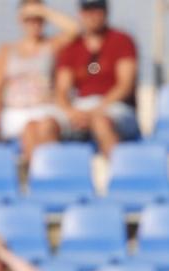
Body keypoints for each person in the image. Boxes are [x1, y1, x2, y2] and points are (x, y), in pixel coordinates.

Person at [0, 0, 79, 162]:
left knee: (34, 129)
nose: (34, 23)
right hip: (10, 110)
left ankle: (37, 177)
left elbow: (75, 29)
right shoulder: (7, 50)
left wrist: (42, 11)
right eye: (29, 19)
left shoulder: (51, 45)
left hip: (43, 108)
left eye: (38, 19)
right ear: (21, 20)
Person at [30, 0, 138, 157]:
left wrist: (97, 110)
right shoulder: (72, 47)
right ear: (80, 14)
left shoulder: (122, 40)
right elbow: (62, 89)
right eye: (87, 10)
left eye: (97, 10)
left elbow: (125, 85)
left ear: (105, 12)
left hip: (115, 107)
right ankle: (53, 177)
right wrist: (70, 111)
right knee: (46, 125)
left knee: (101, 122)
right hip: (81, 106)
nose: (92, 16)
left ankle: (120, 176)